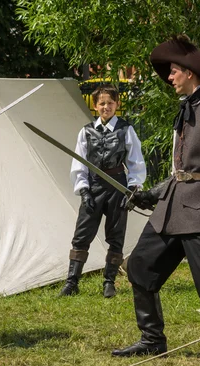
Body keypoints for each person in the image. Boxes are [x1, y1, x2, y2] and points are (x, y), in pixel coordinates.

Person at [111, 36, 200, 364]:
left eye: (174, 71)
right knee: (140, 266)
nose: (170, 78)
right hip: (174, 206)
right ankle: (152, 339)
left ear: (190, 72)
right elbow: (182, 173)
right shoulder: (185, 110)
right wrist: (152, 194)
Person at [59, 84, 147, 298]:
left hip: (117, 185)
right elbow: (78, 162)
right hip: (94, 185)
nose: (106, 107)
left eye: (110, 103)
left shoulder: (126, 129)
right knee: (82, 234)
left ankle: (109, 282)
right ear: (95, 106)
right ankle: (72, 282)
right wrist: (84, 190)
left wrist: (133, 188)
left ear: (116, 104)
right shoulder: (86, 131)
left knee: (116, 236)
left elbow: (136, 161)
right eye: (101, 103)